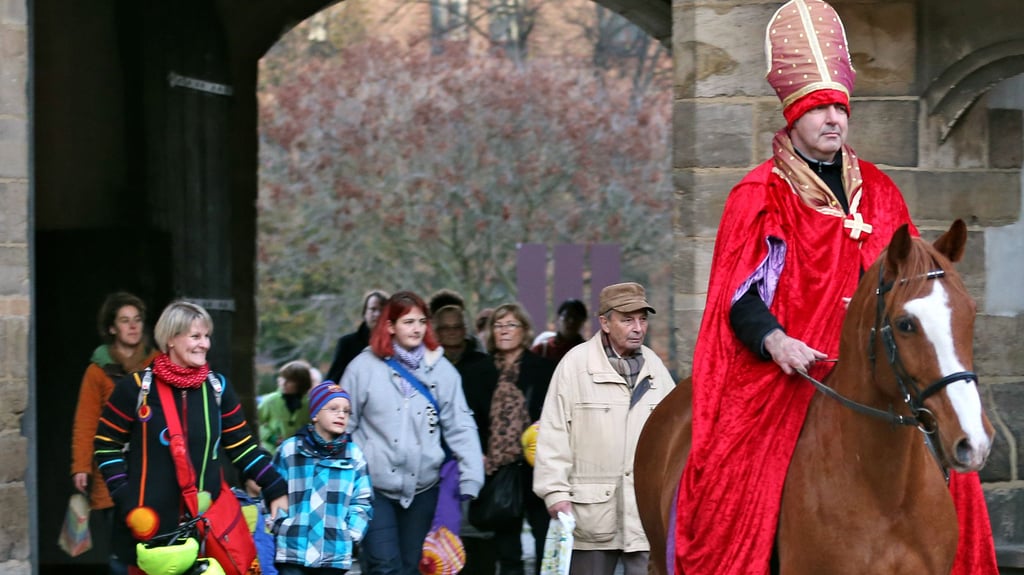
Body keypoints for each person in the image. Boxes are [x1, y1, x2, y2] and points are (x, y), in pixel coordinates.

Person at [672, 1, 998, 574]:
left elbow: (915, 283)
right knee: (738, 469)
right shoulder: (759, 194)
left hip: (879, 358)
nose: (833, 118)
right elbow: (741, 296)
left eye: (839, 108)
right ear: (794, 115)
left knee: (958, 474)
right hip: (794, 364)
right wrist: (778, 342)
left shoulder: (879, 190)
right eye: (819, 107)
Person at [94, 300, 288, 573]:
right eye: (195, 336)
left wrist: (275, 486)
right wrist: (125, 497)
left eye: (206, 336)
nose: (205, 344)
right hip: (147, 530)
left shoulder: (218, 388)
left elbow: (242, 447)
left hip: (206, 529)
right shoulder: (136, 389)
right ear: (171, 339)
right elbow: (105, 446)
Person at [533, 282, 675, 575]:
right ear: (605, 322)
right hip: (590, 516)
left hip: (643, 516)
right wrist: (555, 493)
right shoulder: (575, 365)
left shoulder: (656, 370)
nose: (638, 328)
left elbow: (674, 437)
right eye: (627, 319)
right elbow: (553, 432)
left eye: (643, 319)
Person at [340, 291, 484, 575]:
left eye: (421, 321)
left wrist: (471, 476)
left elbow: (461, 424)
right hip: (373, 487)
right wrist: (342, 474)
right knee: (384, 565)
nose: (417, 328)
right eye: (408, 322)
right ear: (390, 326)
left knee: (412, 565)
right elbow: (344, 422)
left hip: (423, 487)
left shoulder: (442, 371)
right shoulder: (363, 367)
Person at [70, 292, 159, 574]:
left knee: (156, 543)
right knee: (120, 549)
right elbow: (86, 422)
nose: (133, 326)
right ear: (112, 328)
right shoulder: (97, 371)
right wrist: (81, 467)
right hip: (113, 468)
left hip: (153, 467)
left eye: (137, 320)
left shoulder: (159, 364)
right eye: (124, 321)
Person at [482, 302, 556, 575]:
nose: (503, 331)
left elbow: (556, 412)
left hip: (537, 467)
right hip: (498, 469)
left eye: (511, 325)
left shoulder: (543, 369)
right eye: (498, 325)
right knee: (507, 551)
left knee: (544, 543)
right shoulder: (481, 370)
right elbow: (472, 417)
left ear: (524, 330)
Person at [272, 381, 373, 575]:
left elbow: (363, 499)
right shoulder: (290, 450)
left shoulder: (354, 455)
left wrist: (351, 534)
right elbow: (273, 491)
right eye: (333, 408)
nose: (341, 414)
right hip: (293, 550)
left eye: (346, 411)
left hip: (333, 551)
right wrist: (280, 525)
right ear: (315, 414)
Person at [432, 303, 500, 575]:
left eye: (456, 326)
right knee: (439, 532)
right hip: (436, 462)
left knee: (477, 535)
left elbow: (494, 415)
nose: (451, 333)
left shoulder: (484, 366)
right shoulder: (425, 366)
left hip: (477, 456)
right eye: (444, 328)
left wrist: (484, 452)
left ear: (465, 329)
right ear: (434, 331)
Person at [325, 289, 389, 383]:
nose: (377, 314)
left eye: (382, 310)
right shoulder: (347, 344)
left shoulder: (398, 347)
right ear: (364, 313)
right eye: (373, 309)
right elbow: (333, 381)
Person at [258, 360, 314, 454]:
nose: (283, 383)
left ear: (301, 383)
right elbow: (256, 422)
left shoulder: (310, 404)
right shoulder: (270, 401)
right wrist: (270, 437)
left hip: (300, 454)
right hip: (273, 453)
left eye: (290, 381)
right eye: (282, 378)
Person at [529, 298, 587, 364]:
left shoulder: (589, 352)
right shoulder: (543, 350)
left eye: (576, 317)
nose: (571, 321)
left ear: (583, 321)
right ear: (558, 318)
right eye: (567, 316)